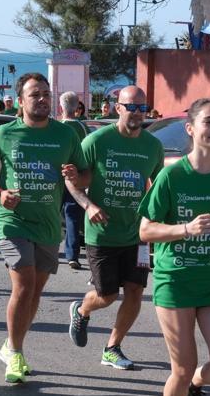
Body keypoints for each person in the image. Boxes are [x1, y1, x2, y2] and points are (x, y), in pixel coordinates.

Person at [0, 72, 88, 383]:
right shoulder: (4, 134)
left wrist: (76, 175)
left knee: (35, 292)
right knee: (23, 285)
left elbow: (86, 176)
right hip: (13, 221)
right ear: (21, 101)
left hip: (49, 225)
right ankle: (16, 355)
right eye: (35, 94)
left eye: (46, 94)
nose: (41, 99)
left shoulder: (65, 136)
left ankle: (10, 344)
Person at [138, 98, 210, 396]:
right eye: (209, 122)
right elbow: (145, 230)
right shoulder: (172, 177)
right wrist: (185, 229)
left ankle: (198, 384)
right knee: (181, 369)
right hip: (176, 283)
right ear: (191, 128)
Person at [67, 86, 164, 370]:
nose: (136, 113)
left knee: (135, 291)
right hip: (103, 232)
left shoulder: (152, 146)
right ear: (117, 107)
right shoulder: (96, 141)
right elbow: (74, 180)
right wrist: (89, 206)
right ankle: (82, 310)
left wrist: (157, 226)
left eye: (142, 108)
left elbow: (158, 188)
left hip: (137, 235)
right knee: (107, 296)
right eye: (131, 107)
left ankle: (112, 347)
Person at [58, 91, 91, 269]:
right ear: (77, 107)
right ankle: (73, 255)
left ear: (60, 107)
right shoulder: (84, 128)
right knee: (72, 215)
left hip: (57, 176)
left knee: (52, 212)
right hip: (77, 176)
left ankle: (48, 249)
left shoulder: (56, 127)